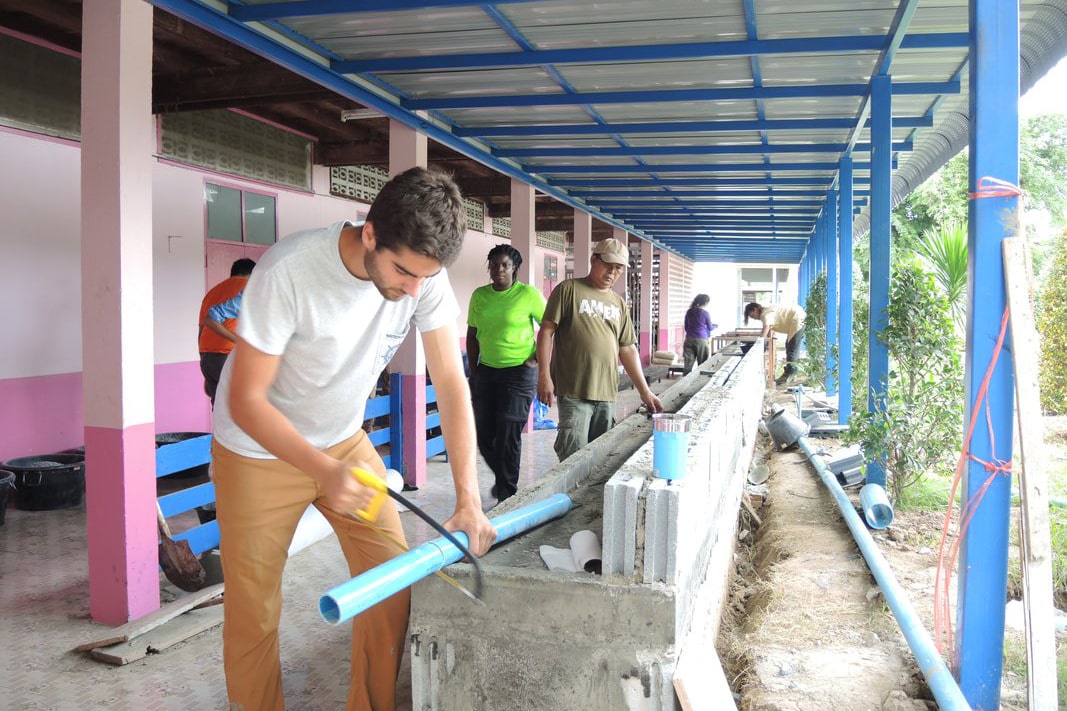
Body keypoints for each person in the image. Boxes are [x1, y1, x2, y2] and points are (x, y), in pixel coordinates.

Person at [210, 167, 497, 711]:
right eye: (404, 273)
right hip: (256, 450)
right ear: (370, 234)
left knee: (390, 584)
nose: (412, 291)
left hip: (343, 441)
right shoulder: (289, 270)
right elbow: (246, 400)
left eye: (424, 278)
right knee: (254, 613)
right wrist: (321, 472)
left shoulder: (422, 276)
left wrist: (468, 499)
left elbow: (452, 383)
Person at [536, 238, 664, 461]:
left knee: (600, 458)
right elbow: (546, 332)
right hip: (574, 391)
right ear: (593, 260)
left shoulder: (618, 302)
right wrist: (544, 375)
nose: (612, 273)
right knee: (572, 457)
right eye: (607, 265)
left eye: (618, 269)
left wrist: (645, 391)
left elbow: (628, 348)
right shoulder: (569, 290)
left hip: (606, 392)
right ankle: (570, 497)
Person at [466, 244, 546, 502]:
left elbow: (550, 328)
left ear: (515, 269)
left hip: (520, 372)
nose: (498, 269)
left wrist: (537, 359)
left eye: (505, 265)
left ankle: (507, 494)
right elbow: (472, 334)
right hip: (487, 371)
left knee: (508, 431)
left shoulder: (528, 294)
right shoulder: (479, 296)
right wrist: (475, 371)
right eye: (494, 264)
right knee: (484, 433)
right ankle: (504, 479)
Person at [198, 258, 256, 406]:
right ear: (253, 274)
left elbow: (201, 329)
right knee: (238, 408)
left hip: (207, 355)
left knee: (218, 406)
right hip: (229, 354)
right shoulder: (249, 289)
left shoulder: (212, 292)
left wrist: (205, 365)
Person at [743, 301, 807, 385]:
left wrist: (759, 343)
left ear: (755, 309)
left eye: (753, 315)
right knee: (789, 346)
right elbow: (769, 331)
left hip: (797, 319)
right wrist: (766, 344)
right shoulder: (767, 311)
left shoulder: (765, 314)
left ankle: (790, 375)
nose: (754, 318)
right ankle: (790, 373)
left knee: (792, 349)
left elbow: (766, 328)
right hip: (797, 318)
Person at [682, 293, 717, 375]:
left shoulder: (689, 312)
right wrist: (714, 326)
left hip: (689, 339)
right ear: (705, 302)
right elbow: (710, 327)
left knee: (688, 364)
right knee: (702, 363)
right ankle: (699, 381)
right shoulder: (705, 313)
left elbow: (686, 326)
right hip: (701, 339)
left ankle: (685, 381)